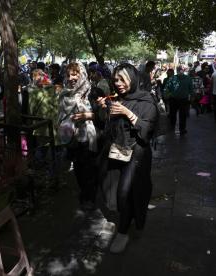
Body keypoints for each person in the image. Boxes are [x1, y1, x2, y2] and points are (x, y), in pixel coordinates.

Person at [96, 63, 158, 253]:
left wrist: (127, 112)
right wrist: (102, 110)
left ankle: (123, 232)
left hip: (137, 153)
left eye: (123, 79)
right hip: (116, 152)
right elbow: (105, 126)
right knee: (113, 192)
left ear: (133, 78)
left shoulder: (147, 100)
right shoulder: (116, 99)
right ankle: (124, 220)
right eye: (116, 79)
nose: (119, 83)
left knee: (125, 193)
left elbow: (147, 130)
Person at [58, 62, 99, 210]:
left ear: (81, 74)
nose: (71, 78)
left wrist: (87, 115)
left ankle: (89, 197)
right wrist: (65, 123)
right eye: (68, 75)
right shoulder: (64, 94)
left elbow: (103, 115)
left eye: (75, 74)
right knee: (78, 169)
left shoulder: (92, 92)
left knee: (88, 168)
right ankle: (84, 193)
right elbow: (60, 116)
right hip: (71, 138)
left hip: (88, 137)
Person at [165, 66, 193, 135]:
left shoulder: (172, 78)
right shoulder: (188, 78)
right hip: (182, 99)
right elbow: (191, 90)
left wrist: (168, 95)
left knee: (173, 114)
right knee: (182, 115)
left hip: (175, 99)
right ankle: (182, 129)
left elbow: (166, 89)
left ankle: (173, 126)